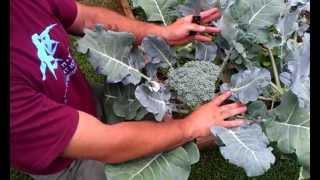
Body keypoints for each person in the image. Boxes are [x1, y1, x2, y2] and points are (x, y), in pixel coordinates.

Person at [10, 0, 247, 179]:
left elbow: (87, 18)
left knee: (154, 127)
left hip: (78, 100)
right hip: (67, 160)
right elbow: (107, 143)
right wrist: (190, 126)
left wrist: (162, 34)